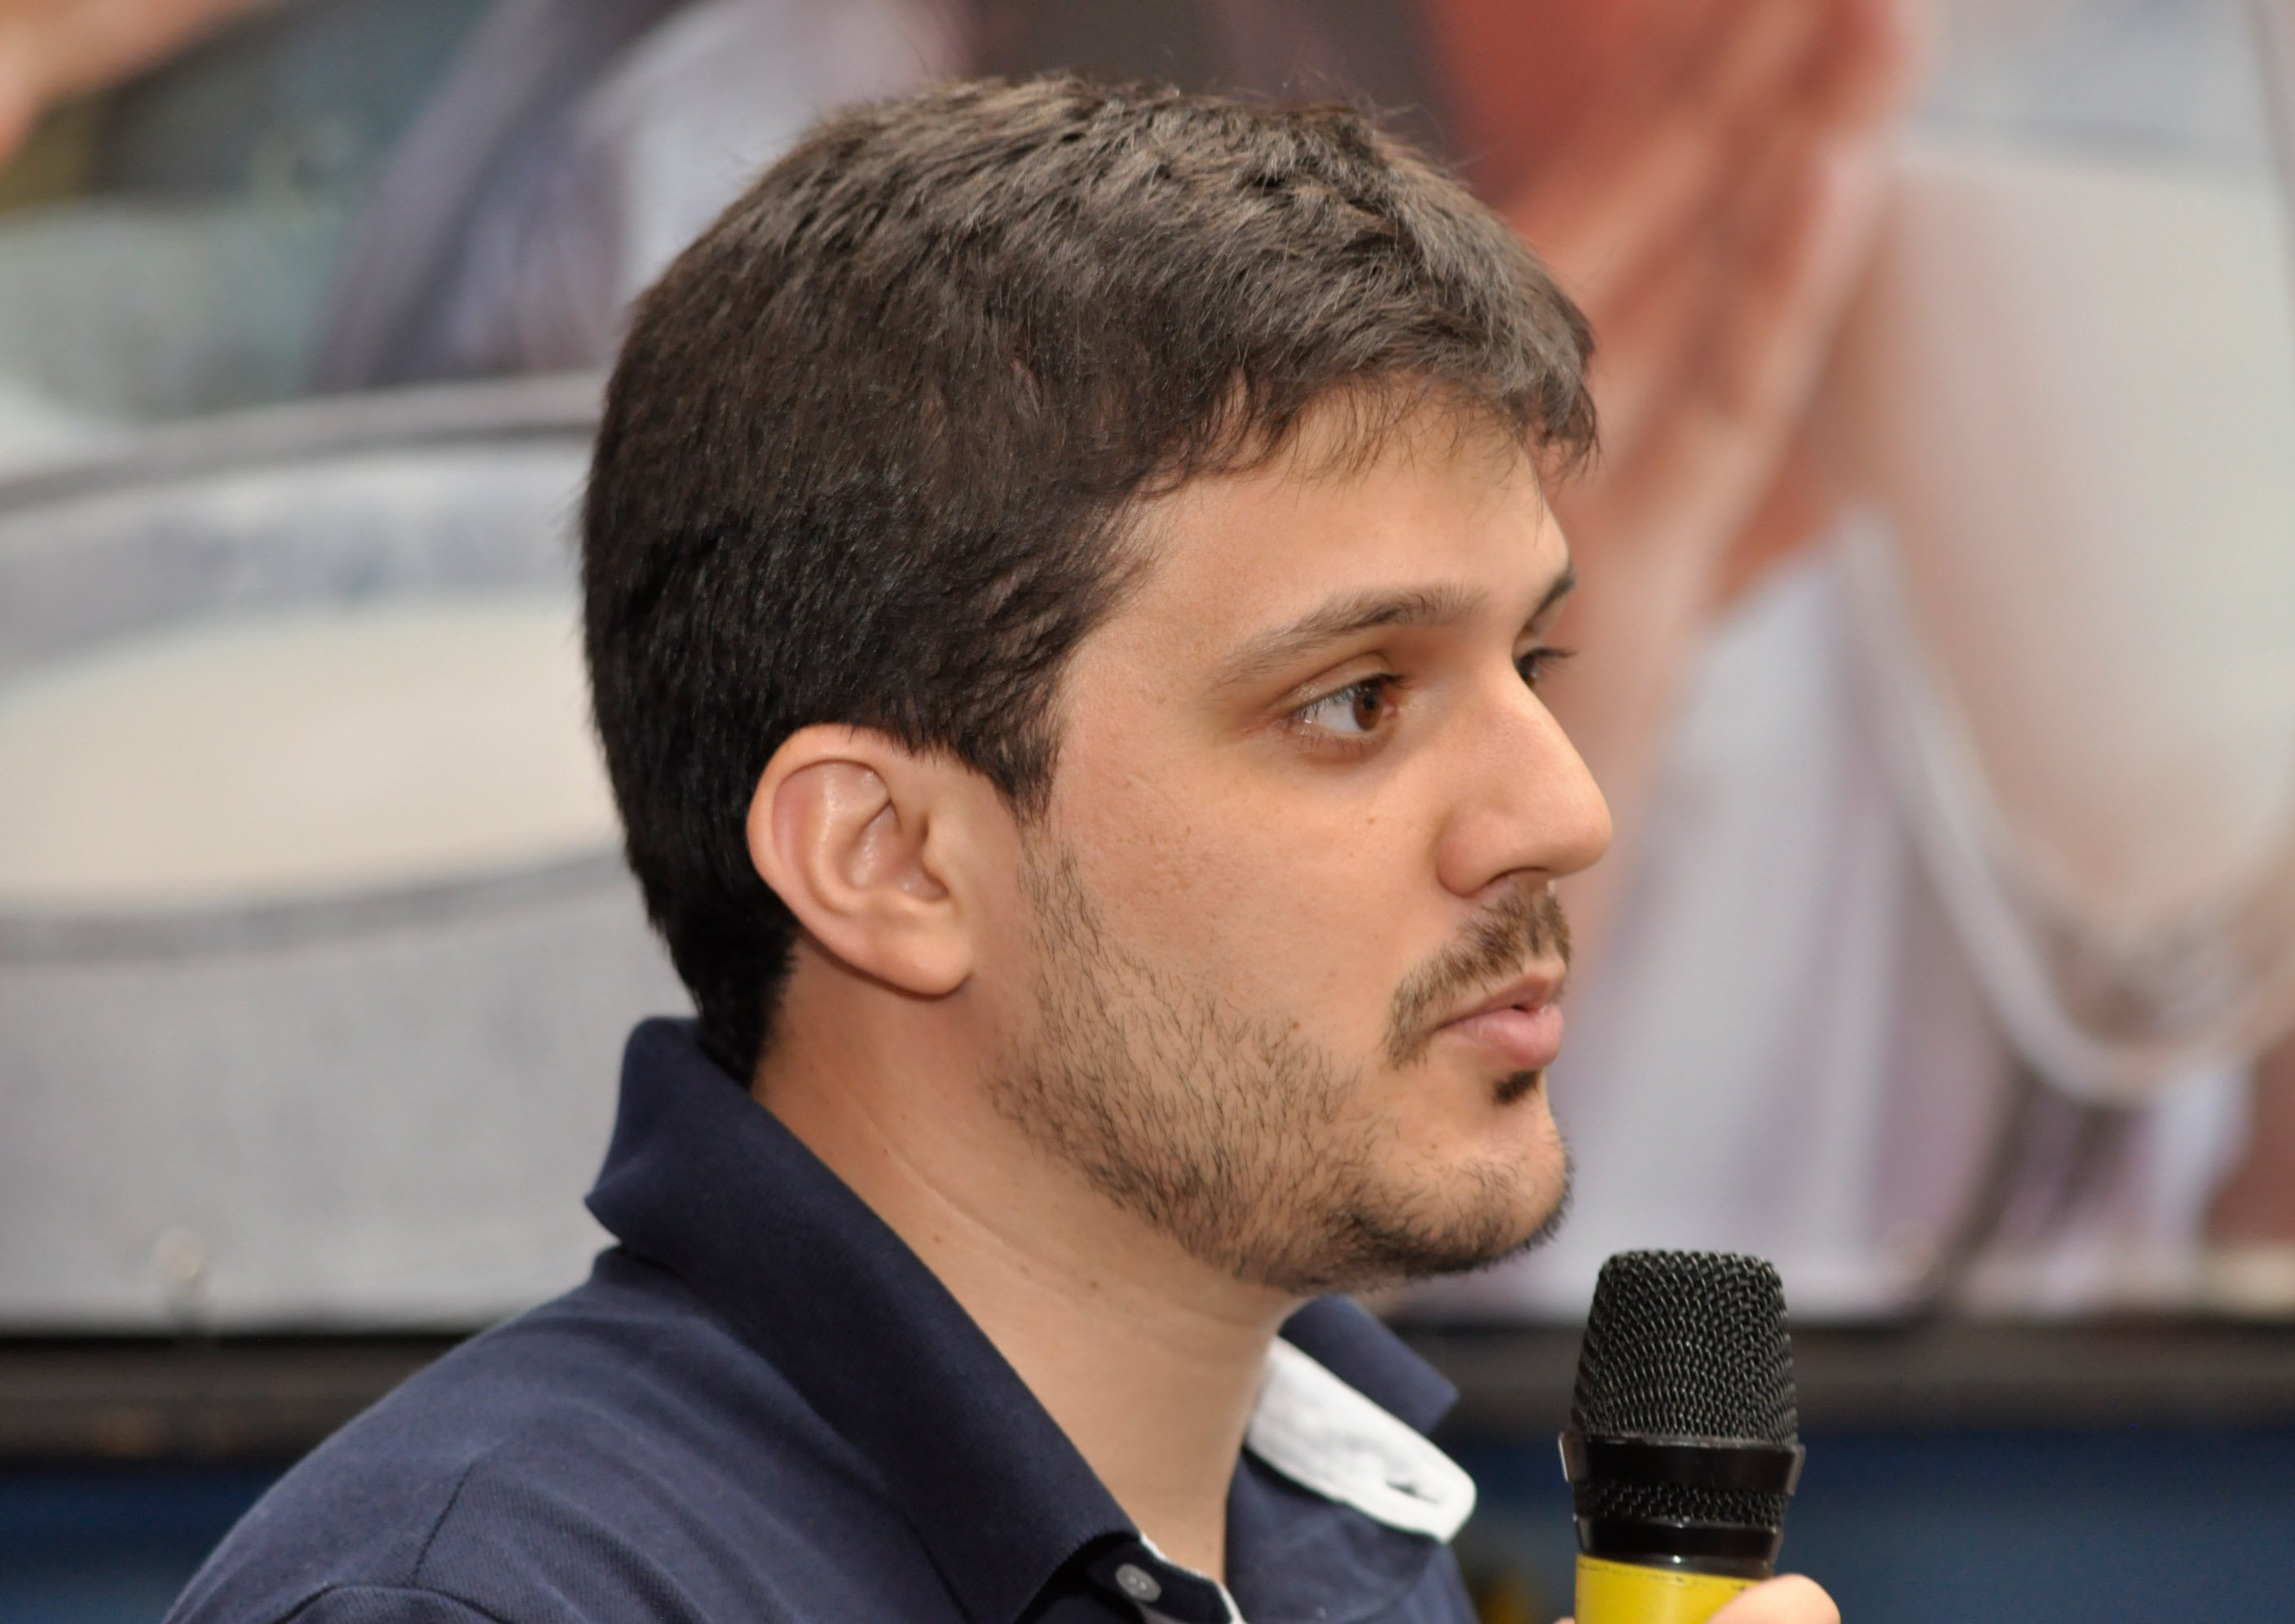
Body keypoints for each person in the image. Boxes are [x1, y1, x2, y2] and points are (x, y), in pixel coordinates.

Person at [168, 75, 1866, 1622]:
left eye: (1533, 665)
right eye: (1355, 701)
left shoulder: (1352, 1548)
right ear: (890, 859)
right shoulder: (487, 1602)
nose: (1564, 811)